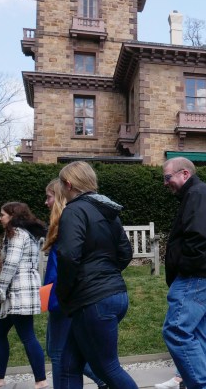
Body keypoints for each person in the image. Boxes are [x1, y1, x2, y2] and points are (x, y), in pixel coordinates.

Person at [53, 161, 135, 388]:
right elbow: (125, 253)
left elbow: (68, 255)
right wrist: (106, 274)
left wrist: (63, 292)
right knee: (69, 364)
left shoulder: (73, 211)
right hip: (115, 295)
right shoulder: (107, 210)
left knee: (107, 367)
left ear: (68, 184)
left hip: (92, 300)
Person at [161, 157, 206, 389]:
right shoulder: (198, 193)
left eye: (167, 177)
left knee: (176, 330)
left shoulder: (197, 194)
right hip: (204, 276)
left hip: (196, 277)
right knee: (201, 337)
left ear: (185, 174)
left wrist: (182, 267)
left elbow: (198, 238)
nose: (165, 183)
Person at [41, 180, 106, 389]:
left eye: (49, 197)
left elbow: (68, 262)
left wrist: (61, 295)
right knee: (60, 351)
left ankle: (104, 379)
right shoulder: (65, 222)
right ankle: (104, 379)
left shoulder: (66, 222)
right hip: (60, 296)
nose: (46, 202)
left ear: (59, 198)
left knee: (59, 353)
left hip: (63, 297)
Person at [0, 202, 48, 389]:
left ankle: (40, 381)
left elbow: (11, 264)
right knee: (0, 333)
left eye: (2, 215)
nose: (0, 218)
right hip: (24, 291)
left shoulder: (16, 234)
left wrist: (0, 290)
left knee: (26, 336)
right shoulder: (27, 234)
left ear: (12, 216)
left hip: (16, 293)